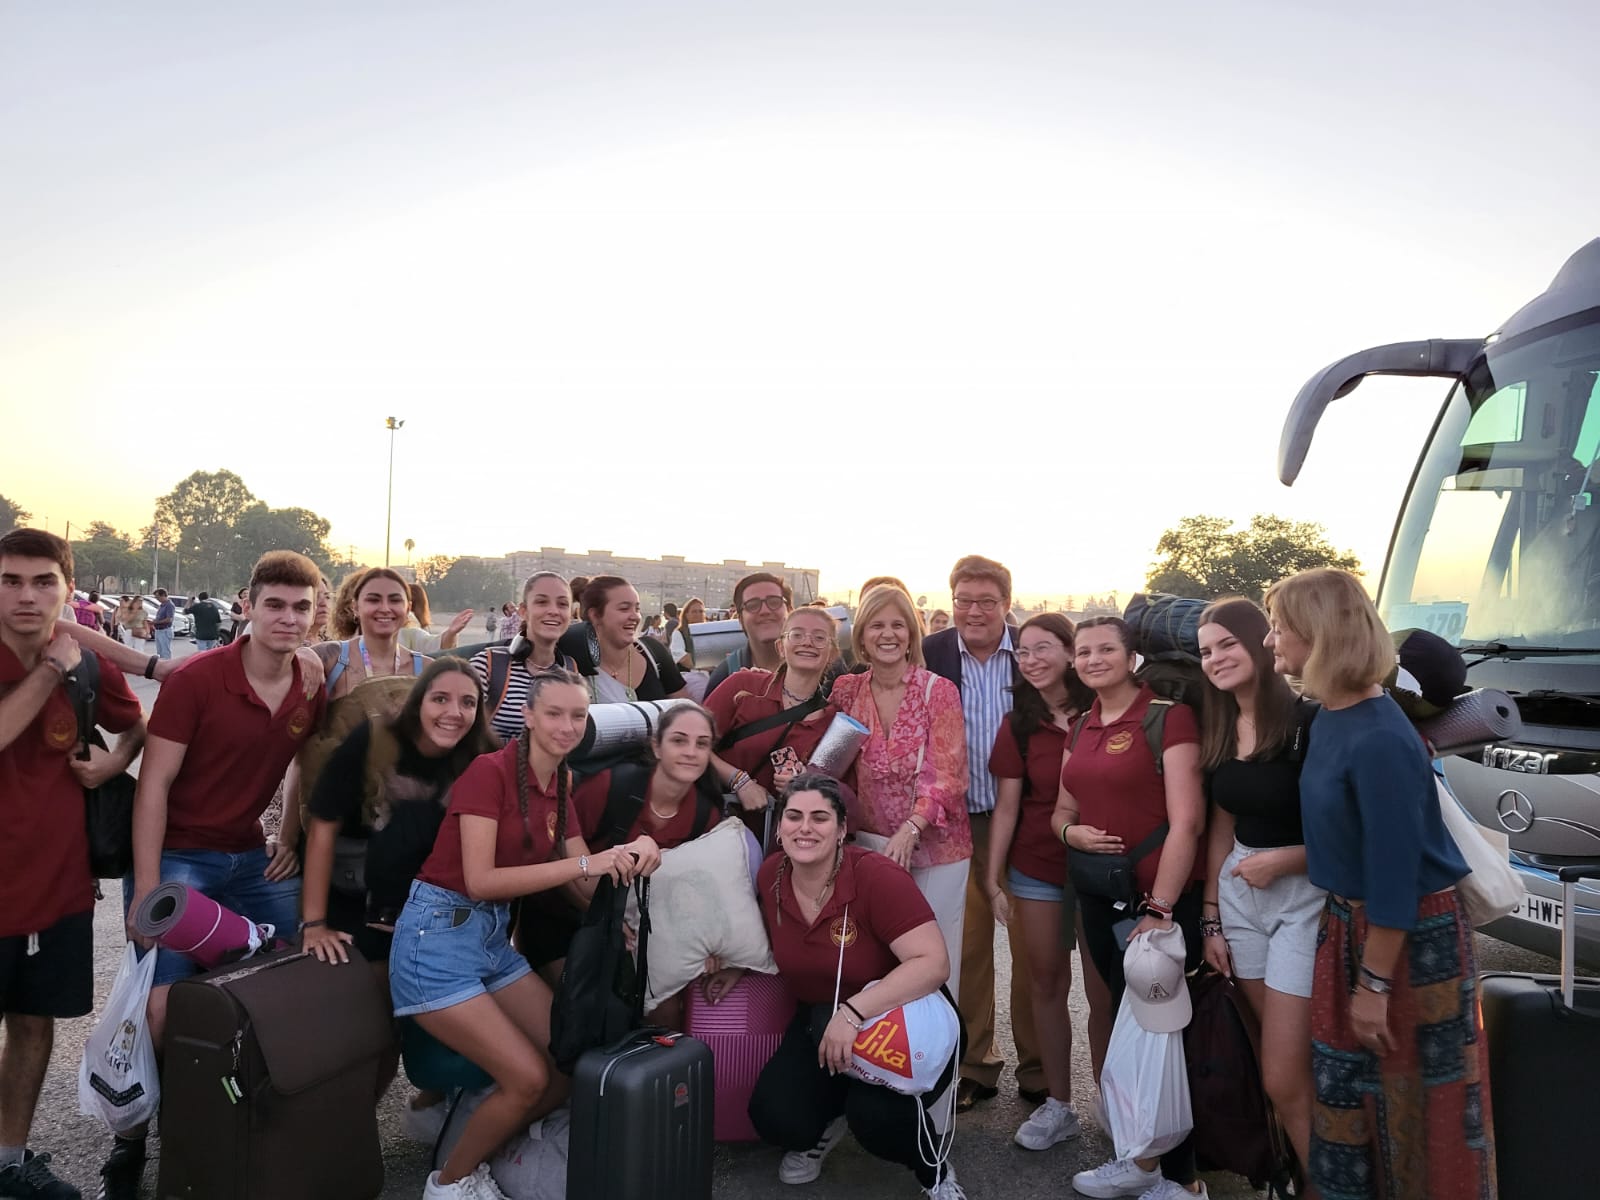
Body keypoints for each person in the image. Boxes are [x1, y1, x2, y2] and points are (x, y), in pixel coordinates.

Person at [388, 667, 661, 1200]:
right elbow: (481, 880)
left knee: (566, 1061)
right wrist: (588, 864)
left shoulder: (559, 783)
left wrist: (634, 856)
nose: (566, 726)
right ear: (529, 716)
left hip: (489, 939)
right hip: (437, 938)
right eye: (554, 713)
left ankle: (480, 1145)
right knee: (529, 1079)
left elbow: (584, 879)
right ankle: (448, 1185)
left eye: (577, 715)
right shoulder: (488, 772)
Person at [1264, 569, 1493, 1199]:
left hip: (1406, 946)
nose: (1271, 639)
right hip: (1353, 928)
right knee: (1353, 1101)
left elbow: (1396, 875)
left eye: (1280, 627)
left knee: (1415, 1116)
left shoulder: (1379, 735)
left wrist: (1374, 985)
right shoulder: (1334, 716)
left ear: (1320, 633)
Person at [111, 551, 325, 1200]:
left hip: (249, 855)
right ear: (247, 606)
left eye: (301, 607)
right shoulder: (198, 679)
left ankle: (254, 1119)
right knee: (161, 1011)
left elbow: (300, 763)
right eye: (274, 605)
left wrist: (287, 835)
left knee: (298, 982)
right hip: (181, 854)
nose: (288, 619)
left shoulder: (310, 681)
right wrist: (148, 887)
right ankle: (135, 1137)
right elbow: (153, 785)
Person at [0, 530, 146, 1200]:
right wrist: (50, 670)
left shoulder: (88, 665)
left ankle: (8, 1162)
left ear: (67, 588)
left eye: (43, 582)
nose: (27, 597)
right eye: (10, 581)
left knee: (34, 1026)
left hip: (58, 885)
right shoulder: (63, 662)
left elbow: (136, 724)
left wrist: (115, 762)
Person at [300, 657, 498, 1138]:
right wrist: (314, 924)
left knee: (444, 1018)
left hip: (432, 911)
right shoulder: (373, 742)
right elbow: (322, 827)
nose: (453, 712)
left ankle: (432, 1104)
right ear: (418, 703)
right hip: (362, 901)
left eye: (467, 702)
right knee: (376, 1029)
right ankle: (342, 1138)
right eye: (440, 699)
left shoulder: (481, 757)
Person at [748, 774, 967, 1199]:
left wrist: (854, 1012)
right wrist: (729, 966)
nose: (804, 828)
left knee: (876, 1119)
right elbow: (765, 938)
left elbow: (933, 963)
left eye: (819, 818)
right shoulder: (771, 875)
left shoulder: (876, 876)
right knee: (775, 1117)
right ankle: (833, 1115)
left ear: (842, 828)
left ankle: (934, 1168)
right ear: (779, 827)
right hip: (821, 1019)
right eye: (793, 816)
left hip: (906, 1020)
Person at [1052, 616, 1207, 1200]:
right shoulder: (1081, 725)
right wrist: (1071, 835)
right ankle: (1142, 1161)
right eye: (1083, 651)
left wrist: (1160, 909)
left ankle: (1184, 1180)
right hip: (1101, 900)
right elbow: (1062, 811)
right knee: (1129, 1021)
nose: (1093, 659)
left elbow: (1187, 821)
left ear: (1131, 656)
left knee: (1165, 1031)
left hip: (1157, 905)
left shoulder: (1168, 718)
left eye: (1106, 649)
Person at [1195, 598, 1321, 1178]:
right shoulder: (1221, 725)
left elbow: (1355, 831)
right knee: (1276, 1054)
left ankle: (1330, 1183)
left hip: (1302, 895)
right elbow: (1222, 823)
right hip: (1239, 898)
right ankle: (1298, 1171)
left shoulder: (1310, 722)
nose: (1215, 659)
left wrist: (1285, 861)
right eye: (1205, 651)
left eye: (1227, 644)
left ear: (1260, 643)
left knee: (1286, 1072)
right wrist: (1212, 918)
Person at [923, 555, 1045, 1113]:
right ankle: (975, 1065)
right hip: (954, 821)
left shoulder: (1032, 653)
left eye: (986, 601)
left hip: (1026, 819)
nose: (974, 611)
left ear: (1006, 604)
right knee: (967, 948)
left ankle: (1040, 1069)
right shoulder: (931, 652)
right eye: (964, 600)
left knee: (1032, 948)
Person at [985, 613, 1098, 1151]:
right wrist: (993, 877)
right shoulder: (1019, 724)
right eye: (1023, 652)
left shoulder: (1105, 709)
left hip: (1102, 869)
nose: (1030, 660)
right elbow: (1008, 807)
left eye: (1042, 648)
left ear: (1071, 652)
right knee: (1046, 984)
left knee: (1105, 993)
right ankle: (1059, 1104)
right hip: (1036, 867)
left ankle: (1117, 1104)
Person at [827, 585, 971, 1001]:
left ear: (911, 634)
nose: (887, 634)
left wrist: (912, 828)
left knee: (935, 962)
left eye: (897, 625)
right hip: (870, 845)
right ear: (862, 636)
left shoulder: (938, 691)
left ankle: (938, 1042)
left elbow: (948, 774)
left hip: (937, 847)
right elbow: (830, 764)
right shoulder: (847, 691)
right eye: (876, 625)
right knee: (876, 961)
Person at [706, 606, 848, 809]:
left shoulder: (833, 723)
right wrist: (738, 781)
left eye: (819, 637)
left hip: (779, 826)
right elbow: (691, 743)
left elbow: (838, 791)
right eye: (797, 635)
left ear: (832, 653)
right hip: (715, 815)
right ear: (781, 647)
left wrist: (807, 781)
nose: (807, 642)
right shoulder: (743, 685)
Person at [471, 572, 580, 742]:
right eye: (542, 602)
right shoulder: (487, 665)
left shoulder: (571, 671)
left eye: (562, 604)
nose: (553, 611)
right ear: (523, 611)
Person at [556, 576, 687, 703]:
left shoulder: (653, 652)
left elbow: (685, 709)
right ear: (595, 615)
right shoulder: (571, 662)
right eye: (624, 609)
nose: (635, 616)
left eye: (637, 609)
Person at [704, 573, 793, 694]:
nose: (765, 611)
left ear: (790, 611)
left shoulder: (816, 670)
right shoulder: (724, 677)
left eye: (774, 602)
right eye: (753, 605)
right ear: (740, 619)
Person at [399, 582, 473, 654]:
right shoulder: (410, 631)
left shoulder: (410, 632)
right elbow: (434, 646)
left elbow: (433, 644)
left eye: (396, 600)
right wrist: (450, 633)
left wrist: (450, 633)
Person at [667, 597, 705, 668]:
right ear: (686, 614)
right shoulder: (679, 633)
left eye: (701, 611)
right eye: (694, 611)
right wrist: (704, 666)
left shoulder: (708, 632)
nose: (698, 614)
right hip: (689, 673)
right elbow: (682, 658)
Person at [150, 588, 176, 660]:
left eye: (158, 597)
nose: (157, 599)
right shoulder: (162, 605)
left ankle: (166, 664)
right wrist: (154, 621)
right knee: (159, 651)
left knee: (165, 651)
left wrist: (156, 622)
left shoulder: (169, 605)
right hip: (158, 630)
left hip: (165, 630)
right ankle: (161, 664)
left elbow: (169, 619)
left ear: (164, 595)